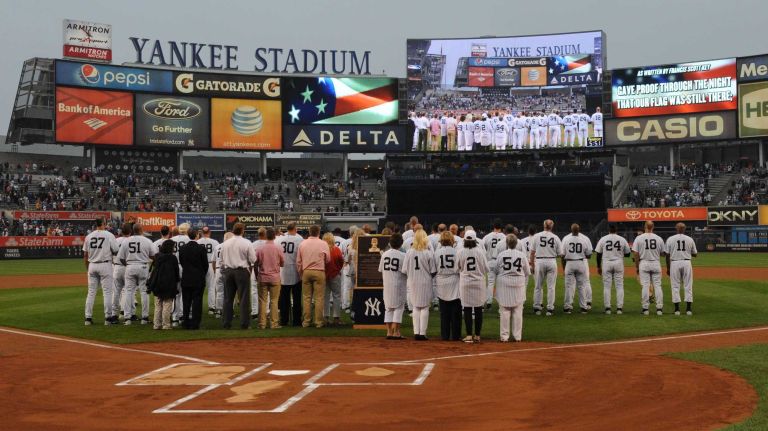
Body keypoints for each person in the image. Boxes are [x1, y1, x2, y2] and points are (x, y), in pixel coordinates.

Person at [118, 223, 156, 325]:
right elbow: (154, 256)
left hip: (130, 266)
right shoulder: (147, 241)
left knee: (128, 292)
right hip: (143, 266)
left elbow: (121, 258)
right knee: (144, 292)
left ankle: (127, 318)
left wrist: (128, 265)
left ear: (133, 230)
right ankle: (144, 318)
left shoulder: (126, 240)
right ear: (141, 230)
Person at [401, 229, 436, 340]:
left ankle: (416, 332)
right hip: (425, 282)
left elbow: (404, 270)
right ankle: (422, 333)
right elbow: (433, 271)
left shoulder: (409, 252)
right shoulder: (428, 253)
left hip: (412, 282)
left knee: (416, 307)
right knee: (425, 307)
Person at [82, 217, 118, 326]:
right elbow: (116, 250)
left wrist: (88, 268)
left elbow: (85, 255)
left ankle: (88, 318)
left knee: (91, 293)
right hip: (105, 264)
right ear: (103, 223)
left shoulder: (89, 236)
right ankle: (108, 318)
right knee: (107, 293)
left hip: (92, 265)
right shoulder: (109, 235)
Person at [220, 222, 257, 329]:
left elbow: (221, 260)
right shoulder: (246, 242)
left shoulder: (225, 243)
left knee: (228, 299)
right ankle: (244, 324)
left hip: (228, 271)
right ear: (242, 231)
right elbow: (253, 259)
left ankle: (226, 323)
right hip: (241, 272)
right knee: (244, 299)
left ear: (233, 230)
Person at [495, 234, 531, 342]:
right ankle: (517, 336)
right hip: (518, 284)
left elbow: (496, 270)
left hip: (504, 284)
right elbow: (527, 272)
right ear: (516, 243)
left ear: (506, 243)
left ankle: (504, 336)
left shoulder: (501, 255)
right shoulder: (522, 255)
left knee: (504, 311)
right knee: (518, 311)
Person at [458, 230, 489, 343]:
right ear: (475, 240)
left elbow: (457, 268)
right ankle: (477, 335)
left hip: (465, 282)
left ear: (465, 239)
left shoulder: (461, 251)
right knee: (478, 309)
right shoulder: (480, 252)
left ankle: (469, 335)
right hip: (478, 282)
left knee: (466, 308)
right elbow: (486, 268)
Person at [297, 225, 331, 328]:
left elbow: (298, 261)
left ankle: (306, 321)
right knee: (319, 298)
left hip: (306, 271)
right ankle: (318, 322)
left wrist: (301, 273)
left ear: (309, 232)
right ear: (319, 232)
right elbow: (328, 259)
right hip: (319, 271)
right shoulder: (323, 243)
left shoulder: (302, 243)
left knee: (306, 298)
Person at [632, 221, 667, 316]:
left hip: (644, 263)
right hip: (655, 262)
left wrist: (637, 266)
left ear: (645, 227)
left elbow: (635, 253)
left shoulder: (639, 238)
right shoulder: (659, 238)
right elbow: (663, 254)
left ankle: (645, 309)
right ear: (653, 227)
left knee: (645, 286)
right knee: (658, 286)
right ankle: (659, 309)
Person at [595, 225, 631, 315]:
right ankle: (619, 308)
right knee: (619, 286)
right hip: (618, 263)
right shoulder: (622, 239)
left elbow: (598, 254)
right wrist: (619, 253)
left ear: (609, 230)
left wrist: (598, 266)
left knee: (607, 287)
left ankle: (607, 308)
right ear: (616, 230)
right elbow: (628, 254)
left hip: (607, 263)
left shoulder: (603, 239)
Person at [530, 219, 563, 316]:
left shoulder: (536, 236)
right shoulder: (555, 237)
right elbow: (560, 254)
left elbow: (532, 252)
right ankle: (550, 309)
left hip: (539, 261)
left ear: (543, 225)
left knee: (538, 286)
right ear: (552, 226)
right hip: (551, 261)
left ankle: (537, 308)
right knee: (551, 287)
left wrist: (532, 264)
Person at [665, 222, 698, 316]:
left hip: (674, 263)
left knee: (675, 286)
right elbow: (695, 254)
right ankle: (688, 309)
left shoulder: (670, 239)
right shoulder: (689, 239)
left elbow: (667, 255)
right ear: (684, 229)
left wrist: (668, 268)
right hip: (687, 262)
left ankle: (677, 310)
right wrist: (687, 252)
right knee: (688, 285)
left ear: (676, 228)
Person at [379, 233, 407, 339]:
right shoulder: (403, 256)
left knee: (388, 309)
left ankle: (389, 332)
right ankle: (396, 332)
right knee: (398, 308)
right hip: (398, 284)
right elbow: (406, 271)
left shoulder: (385, 254)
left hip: (387, 284)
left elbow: (380, 270)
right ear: (401, 243)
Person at [434, 231, 461, 341]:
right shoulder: (457, 251)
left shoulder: (437, 252)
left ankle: (445, 335)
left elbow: (434, 268)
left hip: (441, 280)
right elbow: (460, 268)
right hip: (454, 280)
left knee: (444, 311)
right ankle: (456, 335)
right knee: (455, 311)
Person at [179, 228, 208, 330]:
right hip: (198, 278)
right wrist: (201, 274)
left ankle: (185, 322)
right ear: (196, 235)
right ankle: (195, 323)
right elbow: (205, 265)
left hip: (186, 278)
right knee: (197, 301)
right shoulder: (201, 248)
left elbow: (182, 262)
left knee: (186, 301)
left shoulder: (182, 248)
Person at [255, 227, 285, 329]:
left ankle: (262, 324)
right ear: (274, 236)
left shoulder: (260, 248)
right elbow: (282, 263)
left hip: (263, 277)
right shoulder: (278, 248)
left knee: (262, 301)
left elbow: (255, 263)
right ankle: (274, 323)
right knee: (274, 301)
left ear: (266, 236)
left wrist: (256, 275)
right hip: (274, 277)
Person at [561, 224, 593, 314]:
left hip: (569, 263)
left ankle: (567, 307)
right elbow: (589, 255)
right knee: (581, 286)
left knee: (568, 286)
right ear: (579, 230)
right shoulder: (584, 239)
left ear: (571, 230)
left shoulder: (566, 239)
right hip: (581, 262)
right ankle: (583, 307)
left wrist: (564, 268)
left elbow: (562, 255)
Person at [147, 240, 180, 330]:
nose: (174, 248)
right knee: (167, 303)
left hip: (157, 282)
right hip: (169, 283)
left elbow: (154, 269)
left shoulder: (157, 256)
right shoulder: (173, 258)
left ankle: (156, 324)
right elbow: (176, 271)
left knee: (158, 304)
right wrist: (177, 281)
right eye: (173, 246)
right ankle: (166, 325)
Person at [277, 222, 304, 327]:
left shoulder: (279, 239)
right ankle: (297, 321)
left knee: (284, 298)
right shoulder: (299, 239)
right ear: (295, 229)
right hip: (295, 271)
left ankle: (284, 320)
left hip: (283, 270)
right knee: (297, 298)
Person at [197, 226, 220, 316]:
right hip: (211, 264)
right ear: (209, 232)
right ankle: (211, 308)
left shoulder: (198, 242)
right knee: (211, 287)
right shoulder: (215, 242)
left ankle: (198, 307)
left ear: (202, 233)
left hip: (200, 266)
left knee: (199, 288)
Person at [323, 232, 345, 326]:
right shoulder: (337, 249)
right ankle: (336, 318)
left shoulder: (322, 250)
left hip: (324, 275)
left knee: (325, 297)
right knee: (336, 296)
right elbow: (341, 261)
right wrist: (337, 270)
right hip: (335, 275)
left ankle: (325, 318)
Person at [483, 219, 506, 310]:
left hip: (490, 262)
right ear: (501, 227)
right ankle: (502, 302)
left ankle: (489, 302)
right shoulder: (504, 237)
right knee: (501, 283)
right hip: (501, 262)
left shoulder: (487, 236)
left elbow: (482, 248)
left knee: (490, 282)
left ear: (493, 227)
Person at [212, 231, 234, 317]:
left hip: (218, 270)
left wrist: (215, 271)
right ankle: (229, 312)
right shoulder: (231, 246)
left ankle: (219, 311)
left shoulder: (217, 246)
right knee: (230, 292)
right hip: (228, 269)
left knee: (219, 292)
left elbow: (213, 261)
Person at [112, 223, 132, 319]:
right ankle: (124, 312)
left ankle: (113, 314)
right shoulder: (131, 241)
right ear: (130, 231)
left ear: (121, 231)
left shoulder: (116, 240)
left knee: (116, 291)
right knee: (127, 291)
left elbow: (111, 253)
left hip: (117, 267)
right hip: (128, 267)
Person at [251, 227, 267, 320]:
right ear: (265, 234)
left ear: (258, 234)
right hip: (266, 269)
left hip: (254, 268)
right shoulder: (268, 244)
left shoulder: (253, 244)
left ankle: (254, 312)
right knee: (267, 292)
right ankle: (266, 312)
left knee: (254, 291)